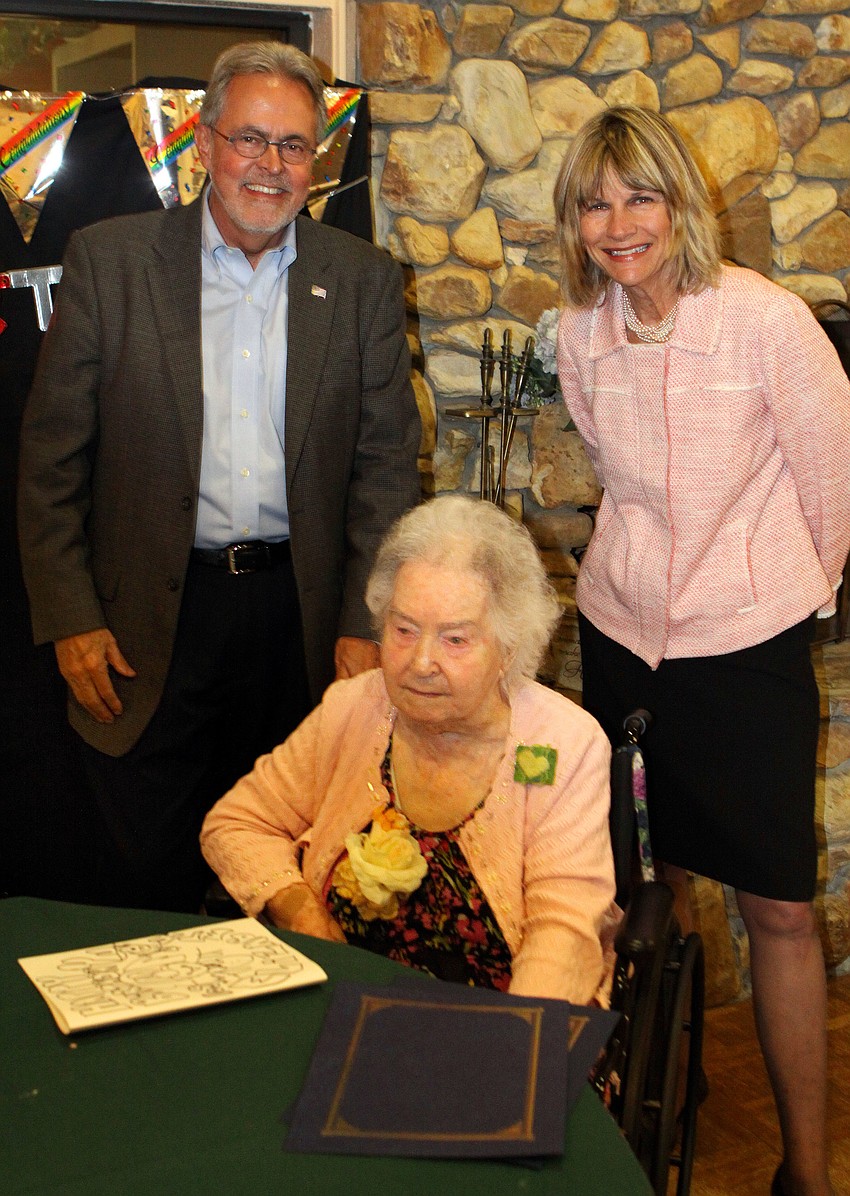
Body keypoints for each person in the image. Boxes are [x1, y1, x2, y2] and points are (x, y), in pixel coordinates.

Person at [17, 42, 421, 913]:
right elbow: (51, 461)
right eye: (249, 139)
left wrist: (366, 621)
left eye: (293, 147)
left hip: (300, 627)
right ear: (203, 145)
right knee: (144, 877)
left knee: (289, 875)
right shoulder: (111, 261)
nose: (270, 167)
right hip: (146, 626)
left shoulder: (360, 281)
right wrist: (71, 619)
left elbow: (385, 472)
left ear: (315, 160)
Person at [553, 106, 850, 1196]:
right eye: (594, 200)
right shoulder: (576, 335)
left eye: (639, 195)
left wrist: (775, 595)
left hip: (748, 643)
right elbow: (608, 472)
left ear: (680, 202)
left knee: (774, 900)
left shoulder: (767, 322)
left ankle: (807, 1173)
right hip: (624, 638)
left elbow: (832, 484)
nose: (618, 222)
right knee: (647, 887)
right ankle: (659, 1105)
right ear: (573, 221)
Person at [201, 495, 619, 1002]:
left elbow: (563, 931)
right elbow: (237, 823)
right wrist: (297, 908)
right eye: (403, 630)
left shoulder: (561, 744)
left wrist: (513, 1048)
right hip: (337, 1004)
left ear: (510, 645)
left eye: (455, 640)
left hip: (495, 1024)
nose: (421, 662)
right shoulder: (353, 708)